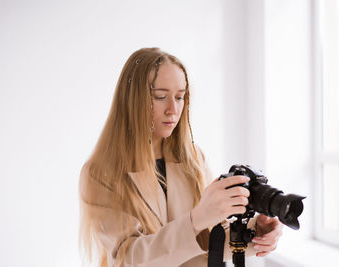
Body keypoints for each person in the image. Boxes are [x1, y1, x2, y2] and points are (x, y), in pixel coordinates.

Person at [79, 47, 283, 267]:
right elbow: (128, 259)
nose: (173, 109)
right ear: (133, 99)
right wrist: (195, 220)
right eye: (160, 97)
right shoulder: (101, 173)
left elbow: (209, 241)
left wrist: (254, 232)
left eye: (180, 97)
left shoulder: (194, 158)